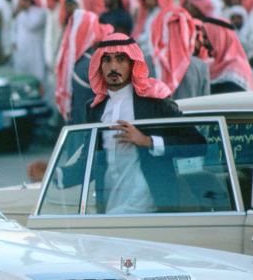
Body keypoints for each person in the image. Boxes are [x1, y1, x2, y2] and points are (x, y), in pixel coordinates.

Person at [31, 34, 203, 214]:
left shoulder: (155, 102)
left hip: (148, 203)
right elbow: (88, 163)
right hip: (110, 199)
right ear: (99, 65)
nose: (113, 67)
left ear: (132, 64)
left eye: (121, 60)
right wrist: (51, 174)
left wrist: (148, 141)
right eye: (107, 60)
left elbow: (197, 144)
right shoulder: (95, 108)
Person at [198, 18, 253, 94]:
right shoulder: (210, 64)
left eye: (206, 38)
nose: (203, 43)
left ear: (218, 38)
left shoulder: (237, 67)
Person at [10, 0, 47, 86]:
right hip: (21, 53)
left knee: (36, 79)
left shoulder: (41, 13)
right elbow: (14, 27)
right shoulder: (21, 13)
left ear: (30, 0)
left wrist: (21, 11)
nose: (20, 2)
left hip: (35, 54)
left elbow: (31, 25)